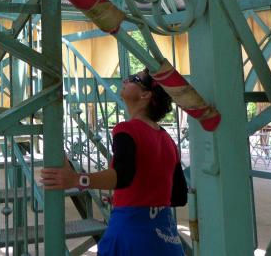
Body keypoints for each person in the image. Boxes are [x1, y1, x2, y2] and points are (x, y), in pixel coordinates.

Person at [40, 69, 184, 256]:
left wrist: (76, 179)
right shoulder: (168, 140)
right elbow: (179, 196)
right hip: (166, 239)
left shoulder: (127, 130)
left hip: (130, 237)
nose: (125, 80)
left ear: (145, 95)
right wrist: (133, 197)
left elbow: (123, 175)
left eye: (133, 79)